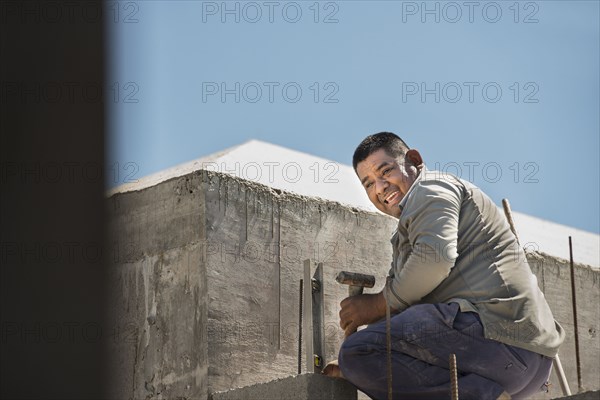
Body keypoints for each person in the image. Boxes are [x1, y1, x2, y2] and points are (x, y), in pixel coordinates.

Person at [323, 132, 564, 400]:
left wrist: (377, 305)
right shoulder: (408, 232)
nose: (380, 187)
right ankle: (482, 393)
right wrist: (355, 365)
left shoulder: (432, 188)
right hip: (524, 367)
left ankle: (477, 395)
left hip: (501, 340)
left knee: (361, 350)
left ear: (414, 160)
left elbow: (435, 260)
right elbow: (400, 311)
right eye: (368, 184)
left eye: (386, 171)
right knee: (364, 350)